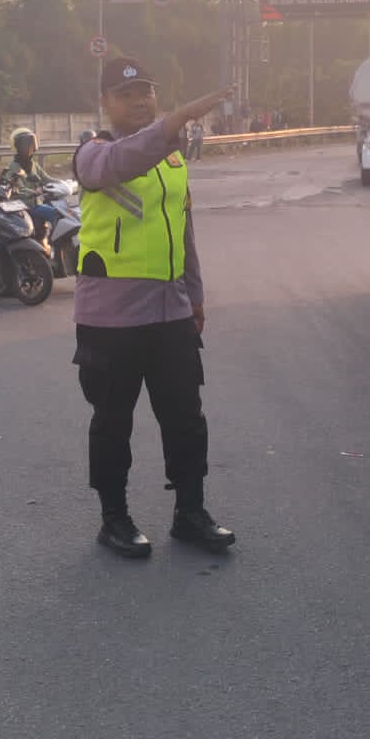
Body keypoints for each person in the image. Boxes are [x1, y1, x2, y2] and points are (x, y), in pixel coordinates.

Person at [72, 57, 236, 558]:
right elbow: (124, 161)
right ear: (105, 102)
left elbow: (183, 231)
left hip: (170, 312)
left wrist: (195, 294)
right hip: (111, 319)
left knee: (186, 418)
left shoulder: (172, 159)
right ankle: (114, 518)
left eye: (145, 92)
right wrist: (176, 121)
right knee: (112, 423)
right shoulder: (93, 154)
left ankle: (190, 512)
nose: (138, 101)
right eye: (125, 95)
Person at [1, 127, 62, 236]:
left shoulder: (33, 164)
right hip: (25, 205)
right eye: (26, 145)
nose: (29, 148)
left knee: (60, 208)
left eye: (31, 144)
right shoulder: (13, 167)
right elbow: (19, 189)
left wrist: (65, 184)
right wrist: (34, 192)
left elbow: (47, 179)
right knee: (54, 213)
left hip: (37, 203)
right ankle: (57, 241)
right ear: (17, 147)